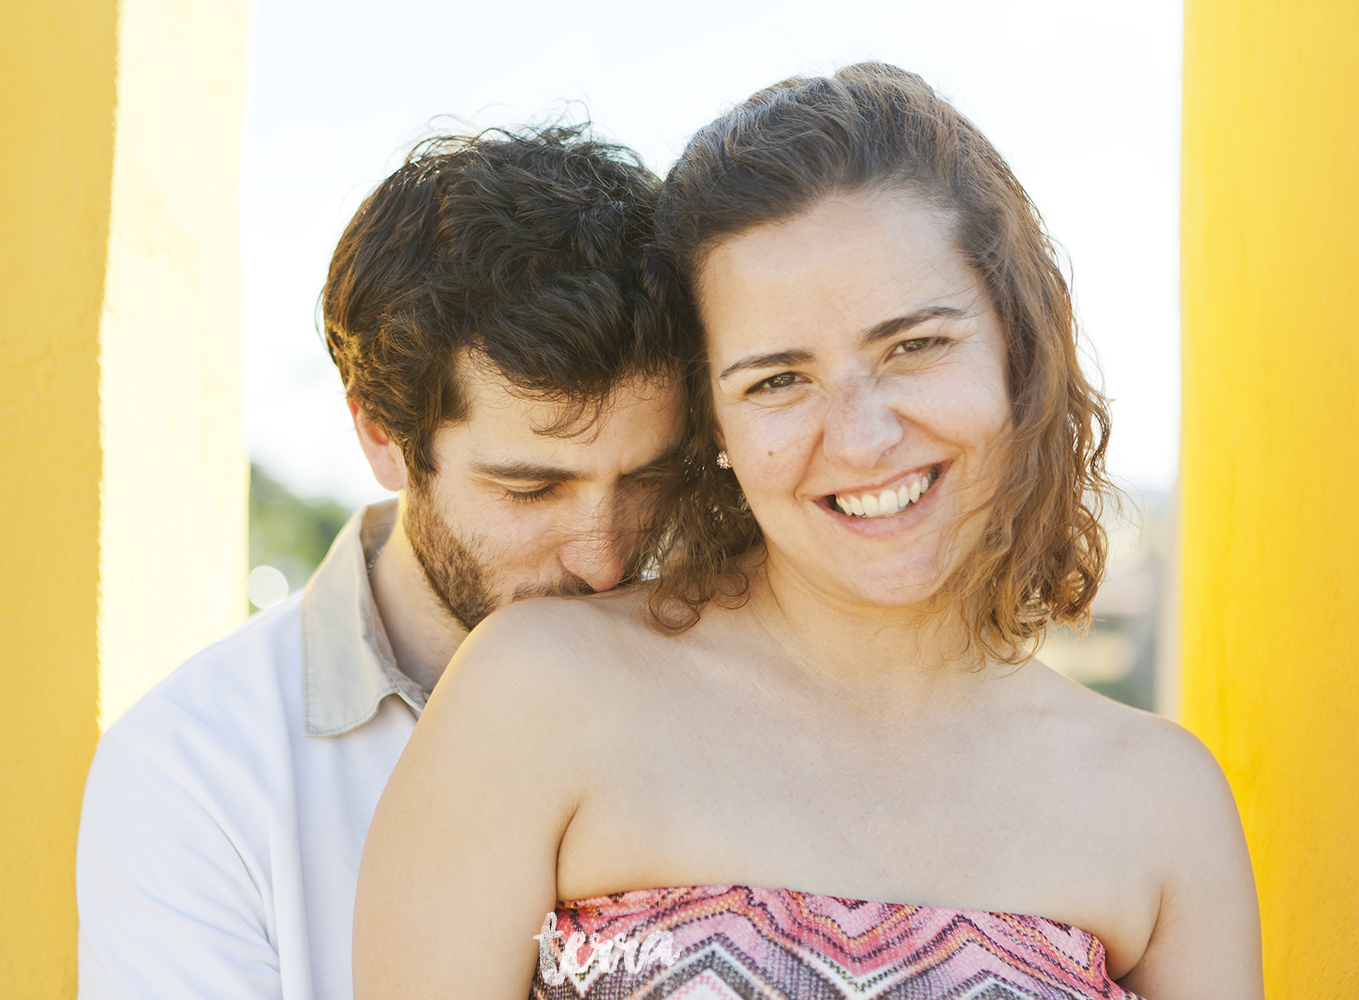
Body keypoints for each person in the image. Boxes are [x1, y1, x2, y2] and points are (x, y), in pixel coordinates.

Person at [352, 64, 1262, 999]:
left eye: (914, 345)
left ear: (1018, 350)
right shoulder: (537, 694)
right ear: (715, 427)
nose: (863, 438)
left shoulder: (1163, 802)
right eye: (777, 381)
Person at [75, 125, 687, 999]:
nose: (604, 558)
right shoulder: (197, 772)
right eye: (530, 490)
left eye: (647, 478)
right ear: (381, 436)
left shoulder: (735, 680)